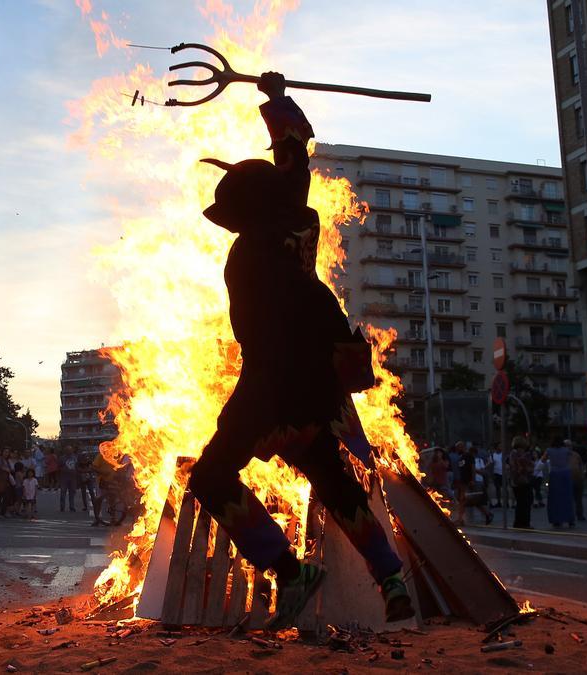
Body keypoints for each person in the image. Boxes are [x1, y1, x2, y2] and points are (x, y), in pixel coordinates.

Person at [185, 72, 413, 629]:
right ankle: (390, 577)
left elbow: (257, 337)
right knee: (333, 481)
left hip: (272, 389)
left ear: (242, 215)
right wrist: (277, 99)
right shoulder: (298, 221)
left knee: (211, 478)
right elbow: (295, 157)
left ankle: (289, 572)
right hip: (320, 388)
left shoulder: (247, 256)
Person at [544, 439, 576, 528]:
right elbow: (572, 456)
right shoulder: (566, 451)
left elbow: (543, 460)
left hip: (554, 474)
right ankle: (570, 519)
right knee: (567, 497)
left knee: (555, 498)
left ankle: (556, 519)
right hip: (565, 474)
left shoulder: (549, 450)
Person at [508, 435, 535, 529]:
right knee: (524, 502)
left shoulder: (514, 453)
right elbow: (524, 465)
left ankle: (520, 522)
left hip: (518, 481)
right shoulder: (517, 454)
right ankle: (523, 522)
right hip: (521, 480)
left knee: (522, 502)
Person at [490, 443, 504, 508]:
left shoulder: (503, 455)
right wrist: (492, 474)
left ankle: (505, 502)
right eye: (499, 446)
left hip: (503, 473)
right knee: (497, 488)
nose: (501, 447)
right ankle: (499, 502)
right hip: (496, 473)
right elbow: (491, 465)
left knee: (504, 488)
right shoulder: (493, 455)